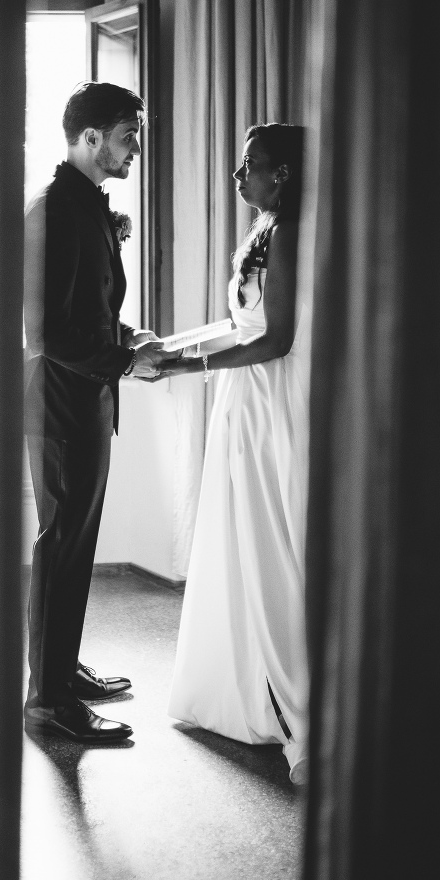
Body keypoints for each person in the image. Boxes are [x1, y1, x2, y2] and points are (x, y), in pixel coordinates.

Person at [23, 81, 177, 744]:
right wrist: (124, 363)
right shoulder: (54, 211)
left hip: (85, 401)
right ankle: (49, 699)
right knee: (61, 545)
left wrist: (129, 338)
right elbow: (43, 333)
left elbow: (85, 308)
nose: (135, 148)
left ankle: (61, 669)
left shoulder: (86, 205)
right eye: (127, 136)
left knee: (75, 544)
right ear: (90, 139)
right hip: (60, 406)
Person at [160, 123, 310, 783]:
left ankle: (303, 714)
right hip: (241, 399)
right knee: (241, 543)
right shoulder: (264, 229)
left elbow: (275, 339)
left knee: (271, 545)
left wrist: (189, 367)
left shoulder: (291, 232)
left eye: (250, 165)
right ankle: (255, 692)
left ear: (282, 174)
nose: (237, 175)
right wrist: (172, 349)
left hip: (271, 400)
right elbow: (237, 324)